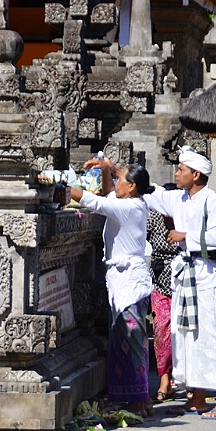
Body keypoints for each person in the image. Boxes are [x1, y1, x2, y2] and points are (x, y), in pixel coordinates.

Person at [144, 146, 216, 419]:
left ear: (196, 174)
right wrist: (119, 174)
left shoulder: (215, 201)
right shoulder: (180, 199)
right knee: (188, 336)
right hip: (186, 276)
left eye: (181, 170)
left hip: (207, 276)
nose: (176, 173)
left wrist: (184, 235)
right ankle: (197, 398)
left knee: (213, 334)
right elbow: (155, 196)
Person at [70, 159, 154, 417]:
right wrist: (107, 170)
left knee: (133, 341)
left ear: (132, 187)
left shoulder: (130, 208)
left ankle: (138, 400)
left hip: (129, 283)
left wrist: (61, 187)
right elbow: (108, 195)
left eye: (120, 180)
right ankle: (141, 399)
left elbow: (97, 202)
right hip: (125, 281)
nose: (116, 184)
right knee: (125, 339)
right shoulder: (129, 202)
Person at [146, 207, 180, 403]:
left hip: (185, 283)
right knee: (161, 329)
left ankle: (190, 382)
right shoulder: (153, 218)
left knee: (185, 332)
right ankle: (164, 381)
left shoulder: (185, 214)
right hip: (160, 283)